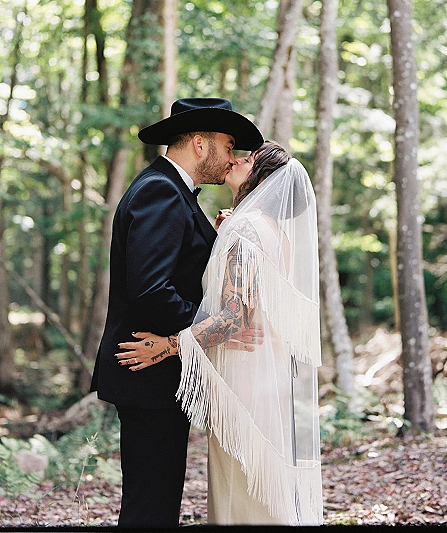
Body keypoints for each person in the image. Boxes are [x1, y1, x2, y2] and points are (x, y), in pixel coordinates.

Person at [116, 140, 324, 525]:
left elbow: (233, 317)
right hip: (268, 373)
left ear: (262, 177)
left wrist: (168, 346)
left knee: (243, 494)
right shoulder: (274, 233)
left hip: (245, 379)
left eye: (248, 159)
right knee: (263, 488)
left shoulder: (245, 229)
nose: (236, 160)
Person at [90, 97, 264, 528]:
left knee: (158, 497)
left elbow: (178, 271)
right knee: (151, 505)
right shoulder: (160, 191)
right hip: (148, 369)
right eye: (227, 146)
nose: (232, 158)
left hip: (161, 371)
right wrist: (211, 330)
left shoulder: (171, 190)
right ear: (200, 144)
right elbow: (152, 291)